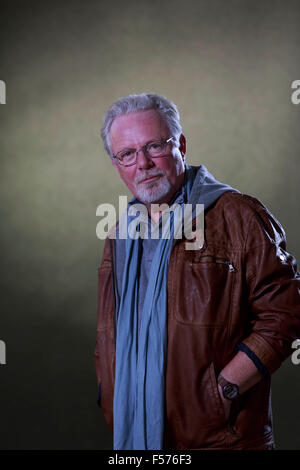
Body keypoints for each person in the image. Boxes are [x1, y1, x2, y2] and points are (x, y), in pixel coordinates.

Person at [94, 93, 300, 450]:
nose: (142, 163)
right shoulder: (119, 235)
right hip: (135, 435)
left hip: (219, 439)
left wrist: (225, 387)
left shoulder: (237, 215)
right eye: (127, 154)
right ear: (116, 164)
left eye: (155, 146)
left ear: (181, 145)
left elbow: (286, 312)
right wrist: (108, 392)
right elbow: (107, 332)